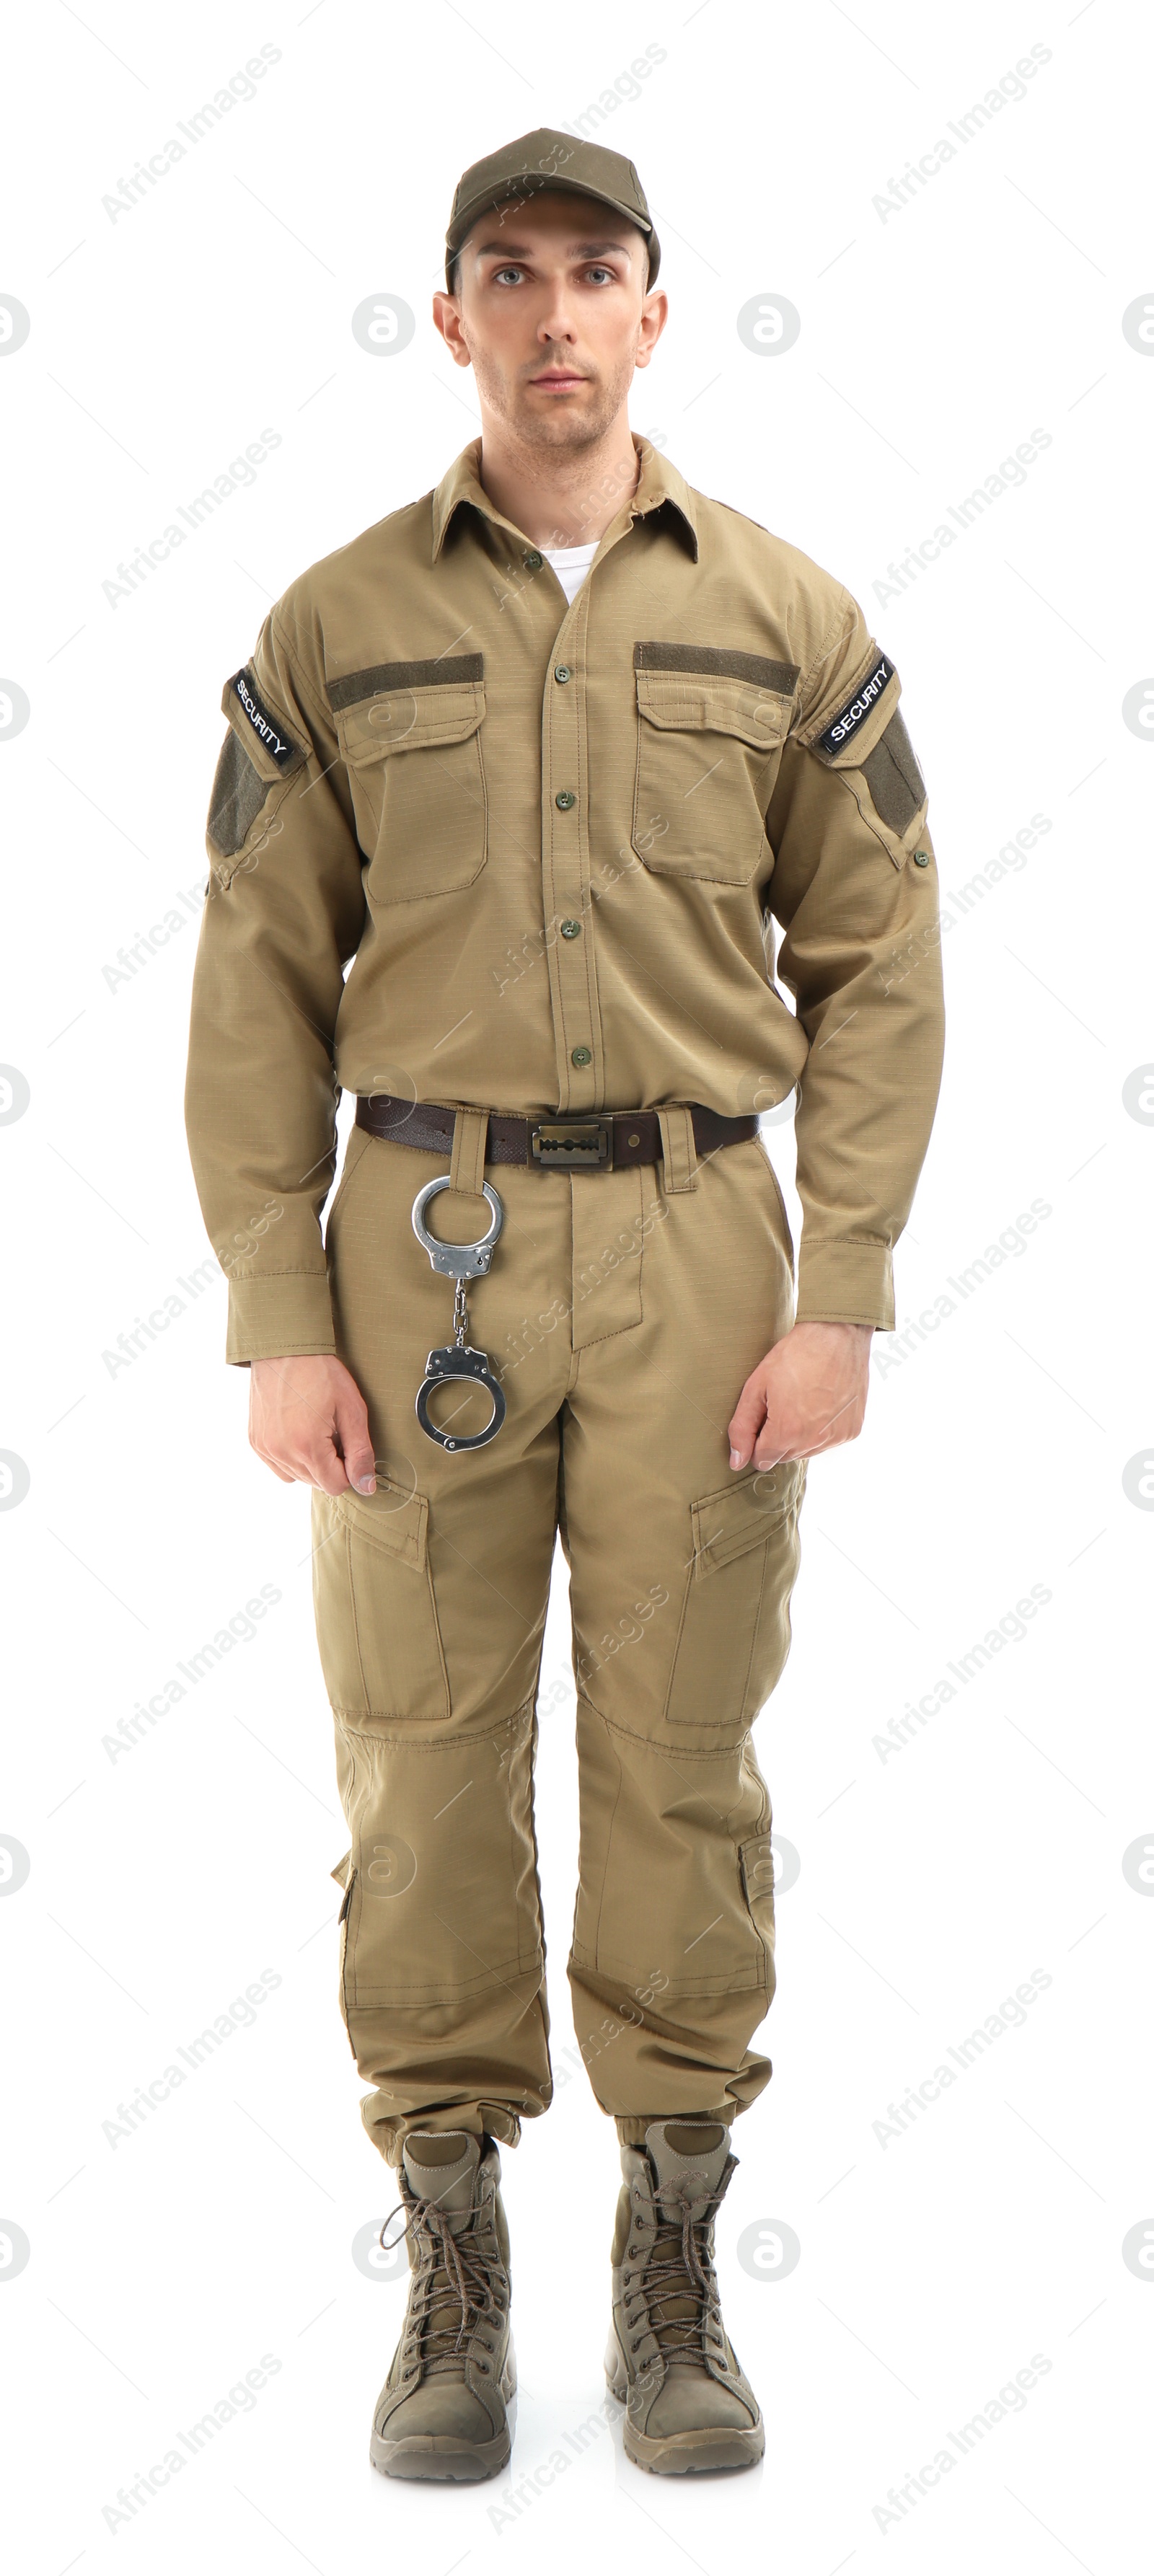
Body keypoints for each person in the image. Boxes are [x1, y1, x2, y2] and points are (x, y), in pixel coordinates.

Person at [184, 125, 944, 2483]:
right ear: (449, 324)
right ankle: (450, 2236)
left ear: (652, 314)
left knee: (681, 1752)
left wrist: (847, 1286)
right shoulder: (336, 627)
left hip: (709, 1257)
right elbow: (249, 990)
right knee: (418, 1758)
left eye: (592, 275)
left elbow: (887, 964)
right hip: (419, 1255)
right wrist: (271, 1307)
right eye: (502, 277)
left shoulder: (789, 620)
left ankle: (675, 2245)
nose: (549, 317)